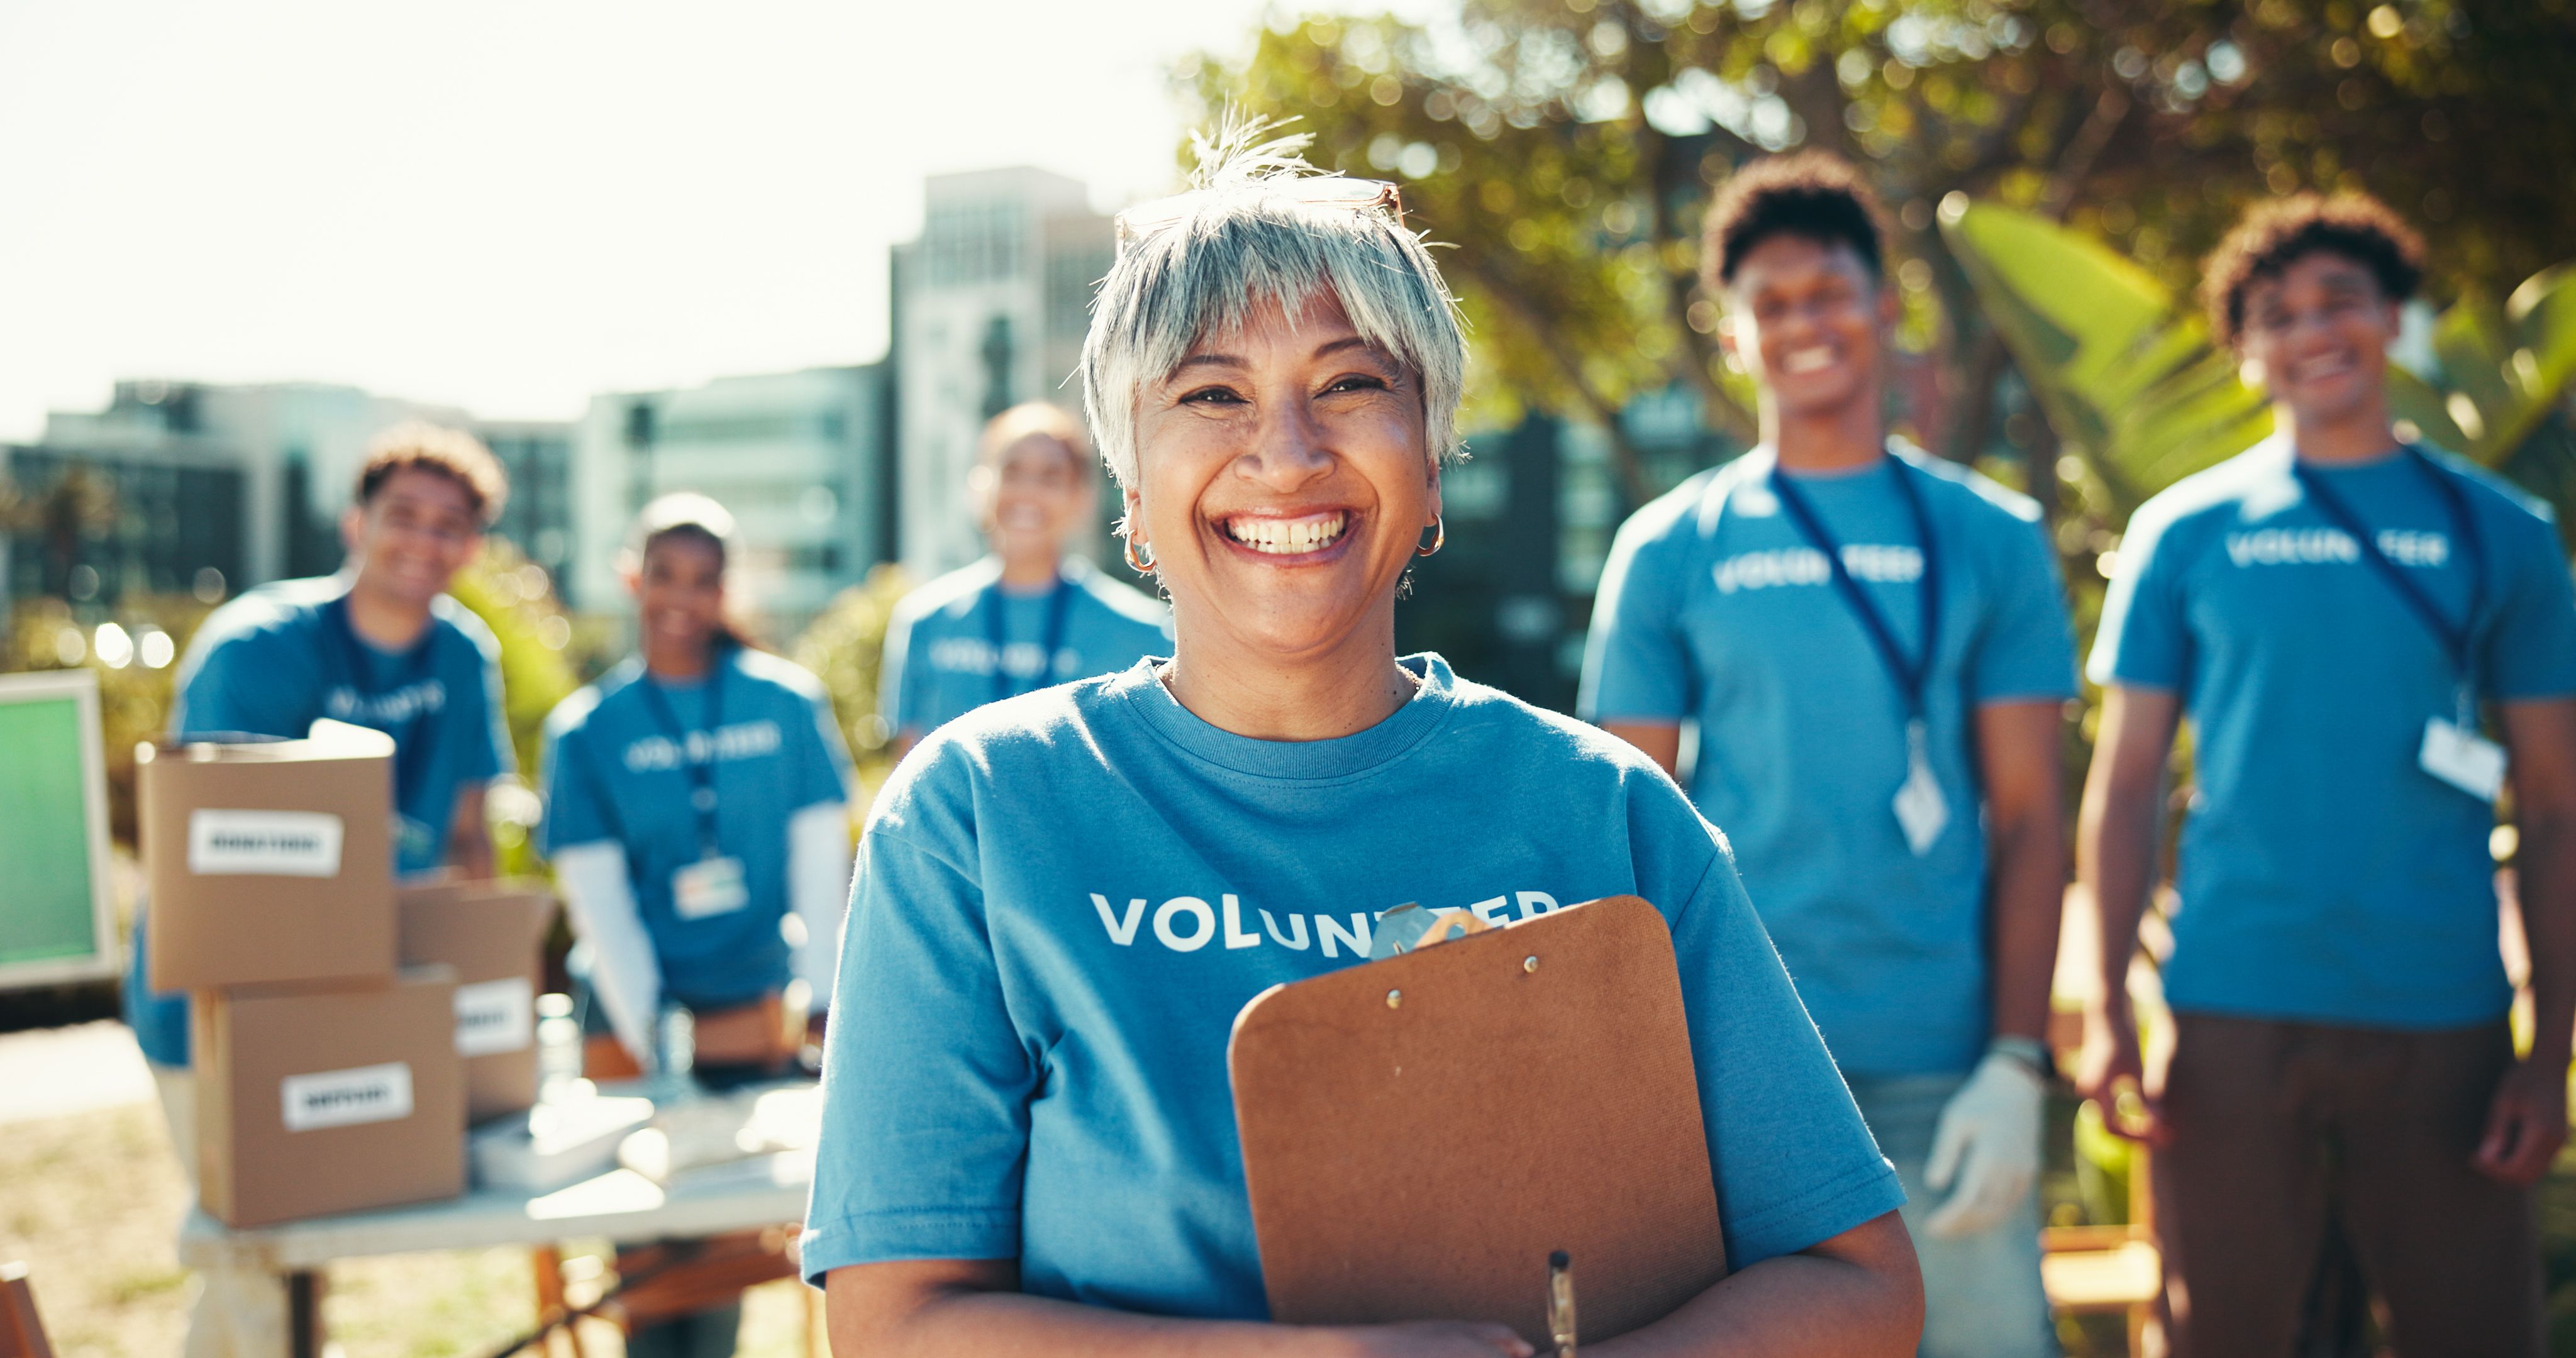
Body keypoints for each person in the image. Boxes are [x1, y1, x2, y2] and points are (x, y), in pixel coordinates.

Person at [802, 129, 1923, 1357]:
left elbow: (1853, 1286)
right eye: (1210, 393)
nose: (1285, 456)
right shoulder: (976, 816)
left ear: (1433, 467)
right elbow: (894, 1325)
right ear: (1128, 495)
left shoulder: (1607, 813)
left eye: (1347, 385)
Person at [1580, 152, 2075, 1358]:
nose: (1804, 321)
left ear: (1886, 303)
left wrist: (2017, 1062)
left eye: (1831, 291)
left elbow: (2029, 819)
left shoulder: (1992, 538)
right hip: (1737, 1070)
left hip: (1942, 1070)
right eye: (1772, 302)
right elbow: (1616, 829)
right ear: (1732, 332)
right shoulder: (1668, 547)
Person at [2076, 192, 2576, 1355]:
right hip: (2229, 1014)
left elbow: (2555, 808)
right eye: (2277, 314)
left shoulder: (2501, 532)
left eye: (2340, 300)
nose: (2312, 331)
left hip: (2442, 1013)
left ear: (2394, 320)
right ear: (2246, 352)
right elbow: (2127, 779)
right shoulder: (2182, 532)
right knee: (2222, 1336)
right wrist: (2106, 1010)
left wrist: (2547, 1055)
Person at [127, 422, 517, 1357]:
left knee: (292, 1271)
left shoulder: (464, 657)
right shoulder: (257, 650)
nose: (425, 541)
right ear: (355, 522)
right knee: (256, 1264)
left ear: (474, 544)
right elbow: (221, 866)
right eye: (404, 516)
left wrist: (481, 990)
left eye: (451, 524)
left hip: (358, 993)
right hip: (221, 1007)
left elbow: (470, 841)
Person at [538, 493, 855, 1358]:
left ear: (727, 589)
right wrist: (666, 1037)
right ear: (630, 578)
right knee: (646, 1261)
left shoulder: (788, 704)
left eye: (704, 579)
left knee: (720, 1258)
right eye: (663, 575)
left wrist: (819, 1004)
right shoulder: (586, 731)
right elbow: (597, 909)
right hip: (630, 1018)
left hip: (756, 1012)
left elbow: (820, 873)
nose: (682, 596)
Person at [879, 401, 1170, 756]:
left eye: (1051, 476)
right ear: (978, 486)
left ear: (1083, 499)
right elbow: (907, 774)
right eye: (1012, 471)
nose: (1028, 492)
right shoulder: (926, 620)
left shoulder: (1142, 632)